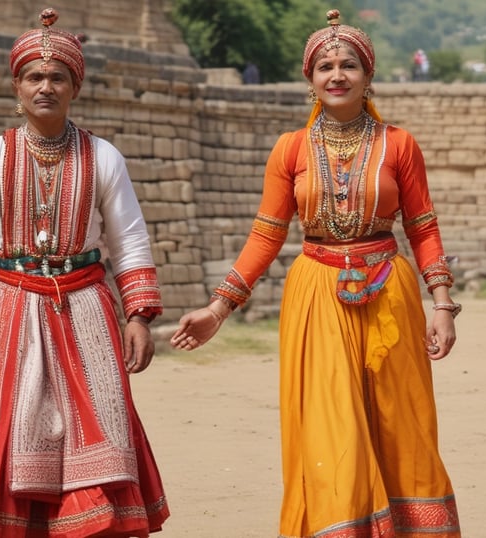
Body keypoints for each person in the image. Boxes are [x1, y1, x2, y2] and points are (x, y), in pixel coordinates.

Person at [171, 9, 461, 538]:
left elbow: (423, 227)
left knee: (403, 424)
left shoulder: (399, 144)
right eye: (324, 66)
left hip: (390, 292)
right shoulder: (291, 149)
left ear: (368, 75)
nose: (336, 75)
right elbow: (266, 234)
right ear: (310, 80)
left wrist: (442, 304)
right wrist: (220, 308)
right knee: (332, 428)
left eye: (348, 64)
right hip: (316, 293)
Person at [0, 8, 169, 537]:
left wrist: (139, 315)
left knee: (101, 422)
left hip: (87, 305)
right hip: (17, 304)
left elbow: (128, 238)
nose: (46, 86)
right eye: (34, 77)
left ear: (74, 87)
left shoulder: (103, 157)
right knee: (16, 424)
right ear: (17, 86)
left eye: (57, 77)